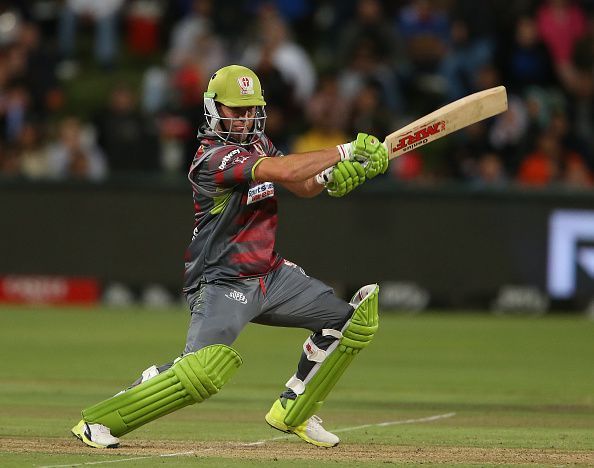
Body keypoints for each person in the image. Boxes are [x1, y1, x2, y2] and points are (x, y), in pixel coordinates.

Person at [71, 64, 388, 449]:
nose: (244, 119)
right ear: (213, 109)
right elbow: (283, 169)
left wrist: (329, 177)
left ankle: (295, 411)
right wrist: (344, 150)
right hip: (222, 280)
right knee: (198, 373)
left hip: (270, 275)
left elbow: (299, 184)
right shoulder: (212, 158)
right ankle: (100, 420)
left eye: (251, 109)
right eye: (236, 111)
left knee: (349, 323)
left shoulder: (259, 143)